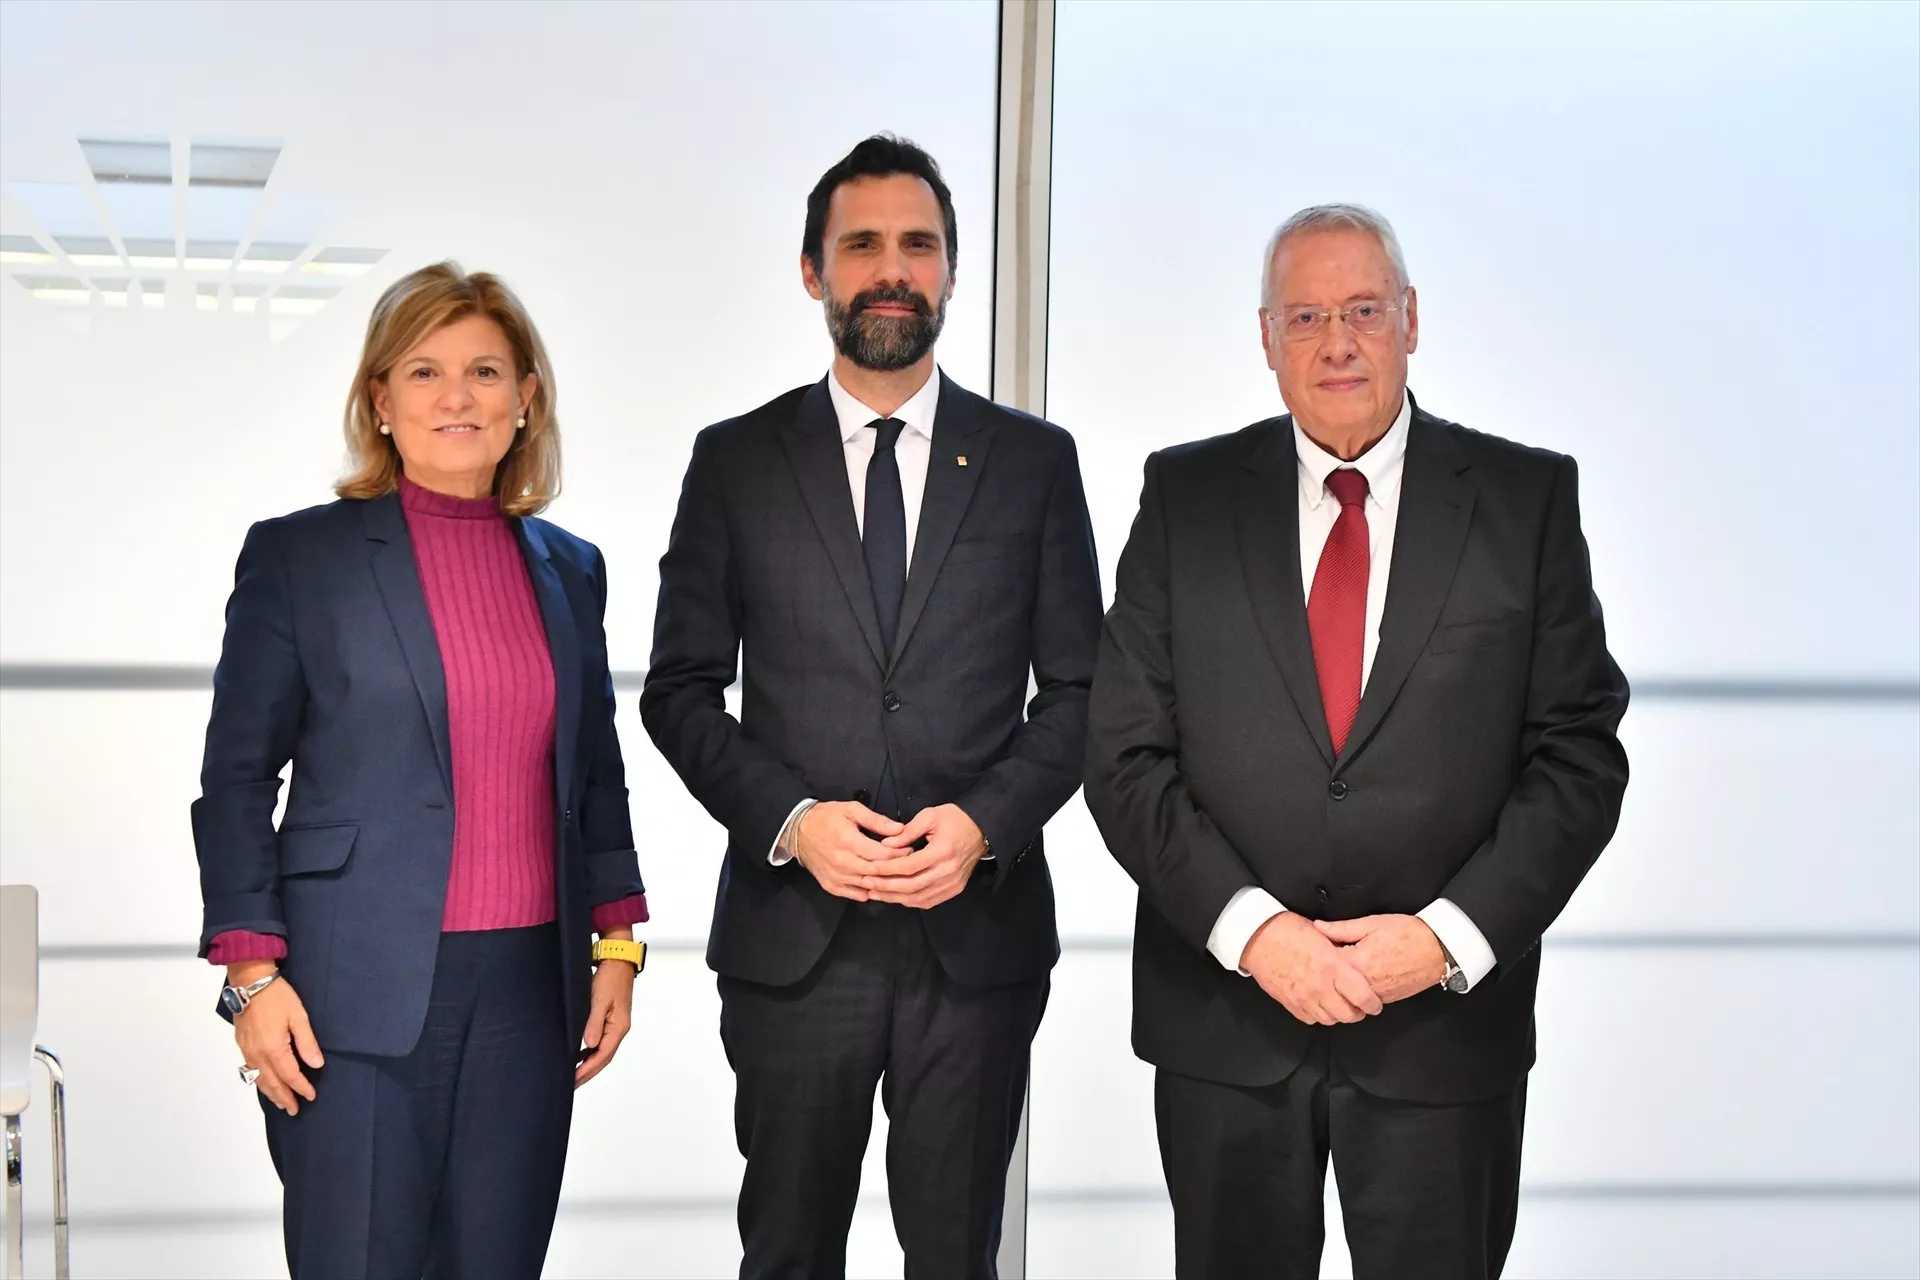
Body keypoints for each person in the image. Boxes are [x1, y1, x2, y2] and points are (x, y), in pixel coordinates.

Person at [1083, 205, 1630, 1279]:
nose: (1338, 341)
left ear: (1412, 321)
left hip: (1441, 1035)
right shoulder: (1184, 496)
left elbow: (1578, 755)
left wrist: (1444, 939)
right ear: (1267, 337)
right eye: (1307, 316)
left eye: (1365, 310)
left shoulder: (1523, 501)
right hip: (1228, 1028)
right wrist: (1258, 933)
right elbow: (1123, 751)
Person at [640, 134, 1102, 1278]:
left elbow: (1087, 690)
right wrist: (794, 820)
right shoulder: (735, 461)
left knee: (957, 1258)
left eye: (918, 244)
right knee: (788, 1252)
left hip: (977, 937)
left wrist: (987, 823)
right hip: (796, 943)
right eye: (862, 245)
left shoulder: (1035, 462)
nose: (892, 268)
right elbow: (681, 691)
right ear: (814, 271)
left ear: (948, 269)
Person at [191, 262, 649, 1278]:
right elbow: (233, 779)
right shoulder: (298, 558)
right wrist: (250, 973)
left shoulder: (570, 566)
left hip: (531, 991)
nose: (457, 396)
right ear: (379, 400)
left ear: (526, 396)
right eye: (426, 370)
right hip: (350, 995)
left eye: (486, 369)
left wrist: (618, 945)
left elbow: (594, 769)